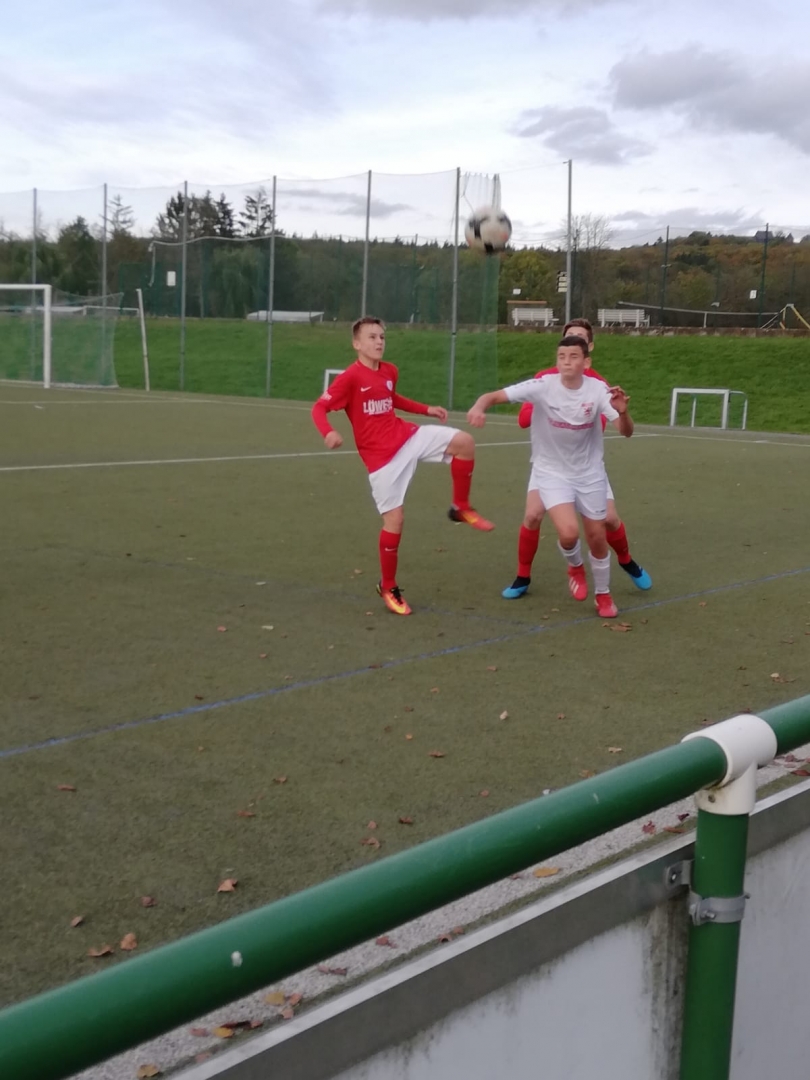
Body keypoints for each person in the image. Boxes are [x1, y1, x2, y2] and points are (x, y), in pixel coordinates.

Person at [311, 316, 494, 616]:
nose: (379, 341)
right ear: (357, 343)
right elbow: (319, 407)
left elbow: (391, 398)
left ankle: (460, 506)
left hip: (407, 436)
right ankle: (389, 585)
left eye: (382, 336)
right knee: (395, 522)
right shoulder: (350, 378)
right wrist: (328, 432)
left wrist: (426, 409)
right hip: (381, 461)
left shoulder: (389, 371)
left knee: (465, 442)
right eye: (372, 337)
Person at [467, 335, 633, 619]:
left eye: (573, 357)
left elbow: (626, 431)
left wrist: (624, 412)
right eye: (562, 357)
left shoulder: (598, 391)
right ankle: (575, 565)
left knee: (596, 536)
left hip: (589, 473)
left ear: (586, 362)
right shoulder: (543, 386)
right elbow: (494, 396)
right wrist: (478, 407)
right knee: (568, 534)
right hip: (551, 472)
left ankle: (603, 595)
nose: (567, 362)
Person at [510, 317, 651, 597]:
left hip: (585, 466)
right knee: (532, 515)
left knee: (609, 519)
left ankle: (626, 561)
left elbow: (606, 422)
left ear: (589, 349)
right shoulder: (544, 379)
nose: (574, 342)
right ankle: (522, 577)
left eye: (581, 339)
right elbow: (524, 418)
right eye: (569, 337)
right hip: (550, 465)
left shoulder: (598, 384)